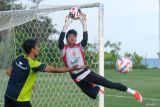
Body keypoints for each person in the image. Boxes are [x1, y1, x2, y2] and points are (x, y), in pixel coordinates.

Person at [58, 13, 143, 103]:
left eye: (74, 36)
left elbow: (85, 39)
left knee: (110, 84)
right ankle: (95, 87)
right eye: (69, 36)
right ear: (66, 38)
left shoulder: (79, 46)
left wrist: (84, 24)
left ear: (76, 38)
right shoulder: (64, 49)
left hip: (86, 73)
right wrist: (65, 26)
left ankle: (133, 92)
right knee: (92, 94)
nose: (72, 38)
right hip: (77, 78)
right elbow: (60, 41)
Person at [4, 39, 84, 107]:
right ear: (32, 50)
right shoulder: (34, 64)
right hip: (20, 100)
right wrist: (72, 68)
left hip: (8, 95)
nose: (38, 49)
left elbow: (8, 72)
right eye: (37, 47)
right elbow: (53, 69)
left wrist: (22, 83)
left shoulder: (19, 57)